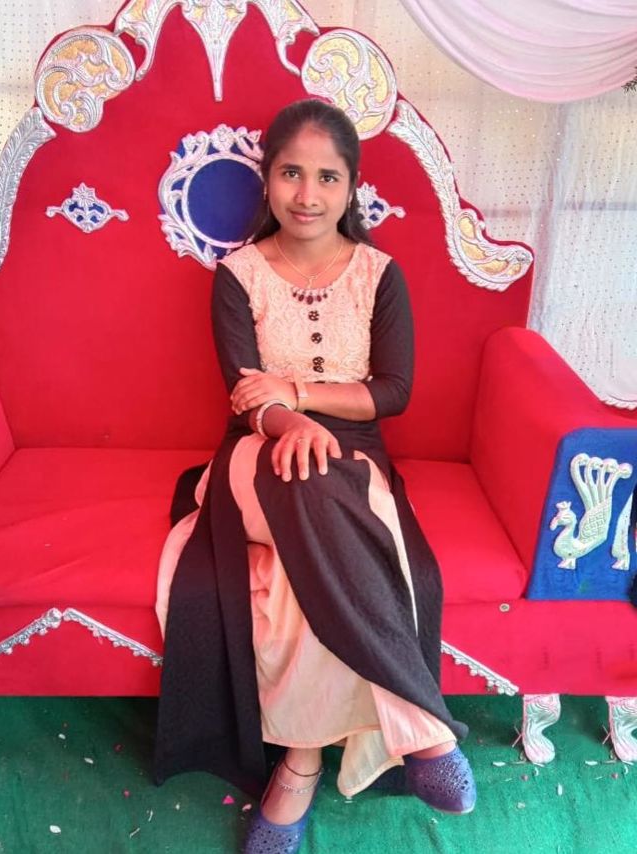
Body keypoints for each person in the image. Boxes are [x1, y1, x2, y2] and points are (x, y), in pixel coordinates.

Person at [153, 98, 476, 854]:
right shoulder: (237, 275)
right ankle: (424, 726)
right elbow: (245, 394)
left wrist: (298, 394)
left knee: (311, 534)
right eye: (291, 173)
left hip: (354, 460)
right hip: (252, 452)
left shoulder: (379, 275)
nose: (307, 194)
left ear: (351, 185)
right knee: (299, 479)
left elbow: (393, 392)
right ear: (267, 180)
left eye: (327, 177)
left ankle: (297, 767)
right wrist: (284, 421)